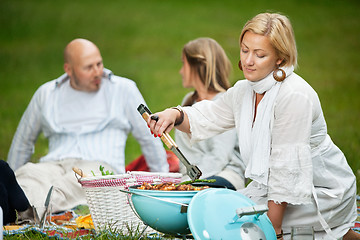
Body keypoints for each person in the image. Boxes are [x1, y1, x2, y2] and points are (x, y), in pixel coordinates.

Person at [147, 13, 359, 239]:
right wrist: (175, 114)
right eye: (245, 50)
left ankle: (336, 230)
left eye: (259, 54)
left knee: (236, 220)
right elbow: (211, 114)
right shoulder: (244, 90)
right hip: (271, 189)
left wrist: (272, 229)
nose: (248, 61)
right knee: (224, 210)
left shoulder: (294, 96)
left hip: (321, 192)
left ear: (280, 58)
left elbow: (285, 168)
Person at [7, 38, 169, 213]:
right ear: (68, 69)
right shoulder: (47, 94)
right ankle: (18, 206)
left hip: (100, 167)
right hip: (54, 163)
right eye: (88, 67)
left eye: (99, 64)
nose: (97, 72)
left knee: (66, 187)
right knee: (28, 175)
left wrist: (164, 184)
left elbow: (149, 137)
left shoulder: (123, 89)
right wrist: (10, 181)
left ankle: (25, 212)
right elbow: (22, 142)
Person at [175, 37, 245, 190]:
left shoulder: (224, 102)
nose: (181, 71)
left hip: (225, 175)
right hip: (193, 178)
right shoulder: (188, 101)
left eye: (183, 63)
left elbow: (219, 156)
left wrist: (187, 182)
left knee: (193, 194)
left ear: (197, 65)